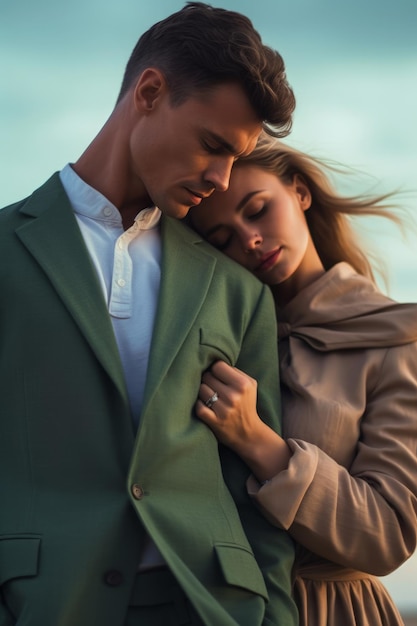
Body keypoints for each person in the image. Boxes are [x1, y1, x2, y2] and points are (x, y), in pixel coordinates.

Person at [0, 4, 299, 626]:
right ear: (151, 91)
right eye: (213, 146)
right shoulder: (6, 251)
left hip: (211, 605)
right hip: (47, 602)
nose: (221, 179)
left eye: (235, 158)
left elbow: (252, 498)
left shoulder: (236, 291)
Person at [189, 133, 417, 626]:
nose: (249, 240)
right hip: (219, 605)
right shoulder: (213, 343)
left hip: (334, 611)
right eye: (222, 239)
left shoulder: (396, 338)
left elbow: (389, 534)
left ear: (299, 192)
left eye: (257, 210)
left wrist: (256, 441)